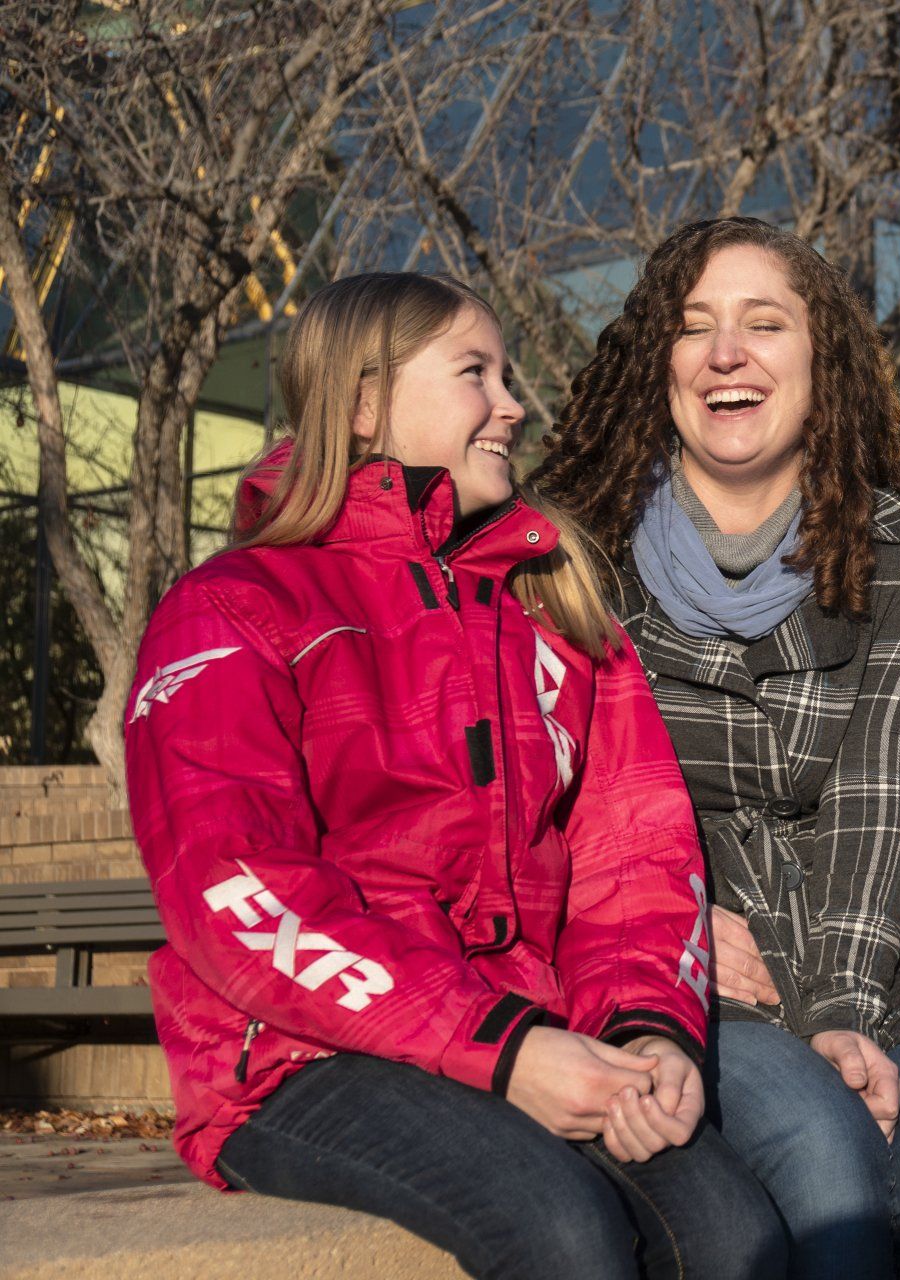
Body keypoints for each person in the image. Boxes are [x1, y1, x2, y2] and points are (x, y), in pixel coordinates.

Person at [125, 273, 784, 1280]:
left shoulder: (553, 608)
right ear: (363, 403)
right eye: (477, 373)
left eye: (507, 375)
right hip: (302, 1056)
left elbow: (635, 857)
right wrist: (504, 1049)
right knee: (561, 1230)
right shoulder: (235, 608)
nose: (513, 405)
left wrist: (648, 1033)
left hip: (538, 1032)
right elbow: (236, 888)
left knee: (733, 1233)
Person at [534, 218, 900, 1280]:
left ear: (822, 359)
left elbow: (881, 788)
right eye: (695, 327)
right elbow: (549, 803)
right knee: (831, 1171)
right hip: (669, 962)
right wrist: (670, 920)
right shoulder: (575, 556)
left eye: (764, 323)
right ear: (660, 363)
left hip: (859, 954)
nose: (726, 353)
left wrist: (843, 1016)